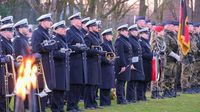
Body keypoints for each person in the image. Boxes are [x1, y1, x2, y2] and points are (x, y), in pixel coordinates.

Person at [31, 13, 57, 112]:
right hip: (41, 65)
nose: (51, 23)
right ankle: (38, 109)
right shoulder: (37, 33)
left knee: (46, 89)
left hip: (48, 64)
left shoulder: (46, 32)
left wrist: (52, 46)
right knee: (40, 88)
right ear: (43, 22)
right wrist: (51, 47)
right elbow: (36, 48)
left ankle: (42, 109)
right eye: (49, 21)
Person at [66, 12, 88, 112]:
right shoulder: (69, 32)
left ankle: (75, 105)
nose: (80, 21)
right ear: (73, 21)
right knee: (74, 85)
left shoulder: (79, 32)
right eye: (79, 20)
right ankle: (71, 106)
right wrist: (78, 48)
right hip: (74, 62)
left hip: (81, 63)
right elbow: (67, 46)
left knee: (79, 85)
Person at [84, 19, 104, 110]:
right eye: (95, 26)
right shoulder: (88, 37)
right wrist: (97, 51)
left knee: (95, 84)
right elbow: (86, 50)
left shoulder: (96, 36)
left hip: (96, 62)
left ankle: (94, 103)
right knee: (90, 84)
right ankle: (88, 104)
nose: (97, 27)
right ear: (90, 27)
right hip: (90, 63)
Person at [50, 21, 70, 112]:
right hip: (57, 68)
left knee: (62, 90)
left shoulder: (63, 39)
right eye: (62, 29)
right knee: (57, 90)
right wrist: (63, 54)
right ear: (56, 30)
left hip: (63, 67)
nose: (64, 30)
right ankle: (55, 108)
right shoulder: (55, 39)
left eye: (64, 28)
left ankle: (60, 108)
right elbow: (53, 53)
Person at [115, 24, 133, 105]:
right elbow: (120, 54)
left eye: (127, 30)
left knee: (123, 82)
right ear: (121, 31)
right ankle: (120, 99)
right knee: (120, 83)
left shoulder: (125, 40)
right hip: (122, 65)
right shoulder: (119, 40)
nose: (127, 32)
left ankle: (123, 98)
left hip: (127, 64)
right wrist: (122, 65)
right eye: (125, 31)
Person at [127, 24, 145, 102]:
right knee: (131, 81)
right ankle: (130, 98)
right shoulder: (130, 39)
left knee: (135, 81)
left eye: (136, 30)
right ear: (130, 32)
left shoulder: (136, 39)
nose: (136, 32)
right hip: (133, 63)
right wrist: (131, 63)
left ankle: (133, 97)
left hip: (138, 62)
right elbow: (130, 53)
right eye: (134, 31)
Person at [162, 21, 180, 98]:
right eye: (171, 26)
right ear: (167, 26)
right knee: (167, 76)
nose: (173, 27)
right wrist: (175, 55)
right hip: (168, 59)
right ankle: (166, 91)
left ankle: (171, 90)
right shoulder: (165, 35)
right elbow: (167, 48)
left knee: (173, 76)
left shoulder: (173, 35)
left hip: (173, 60)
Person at [0, 23, 15, 112]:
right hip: (4, 71)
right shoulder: (1, 41)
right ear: (5, 32)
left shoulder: (6, 41)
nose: (12, 33)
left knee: (3, 97)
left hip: (4, 72)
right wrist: (5, 58)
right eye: (10, 31)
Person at [99, 28, 115, 107]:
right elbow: (101, 57)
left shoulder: (110, 44)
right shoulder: (103, 45)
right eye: (110, 35)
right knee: (104, 86)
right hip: (104, 68)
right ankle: (103, 102)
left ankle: (107, 102)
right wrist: (108, 61)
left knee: (108, 86)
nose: (112, 36)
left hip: (109, 67)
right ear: (105, 36)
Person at [150, 24, 165, 99]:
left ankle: (159, 91)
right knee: (156, 76)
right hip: (156, 59)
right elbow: (154, 49)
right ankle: (154, 92)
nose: (163, 32)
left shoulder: (162, 39)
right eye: (162, 31)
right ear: (158, 32)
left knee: (161, 77)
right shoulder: (155, 40)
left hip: (162, 59)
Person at [139, 27, 153, 101]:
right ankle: (140, 96)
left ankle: (143, 95)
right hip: (143, 64)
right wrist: (151, 55)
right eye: (145, 33)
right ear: (141, 34)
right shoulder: (141, 42)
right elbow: (143, 54)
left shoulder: (146, 42)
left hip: (148, 64)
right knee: (142, 81)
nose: (147, 35)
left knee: (146, 80)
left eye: (147, 33)